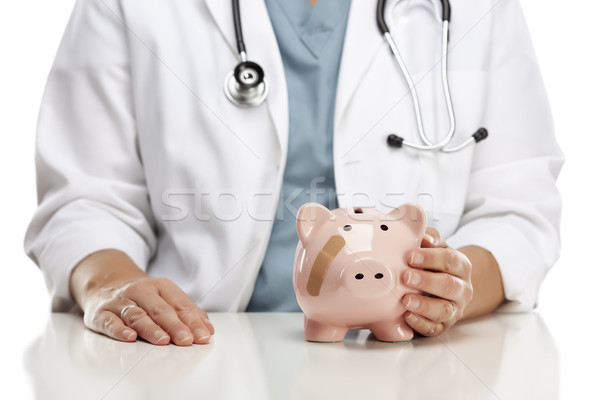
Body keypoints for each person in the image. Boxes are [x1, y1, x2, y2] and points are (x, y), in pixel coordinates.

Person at [25, 0, 563, 346]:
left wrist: (451, 286)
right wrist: (113, 284)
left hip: (414, 363)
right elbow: (84, 199)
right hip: (191, 350)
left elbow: (517, 209)